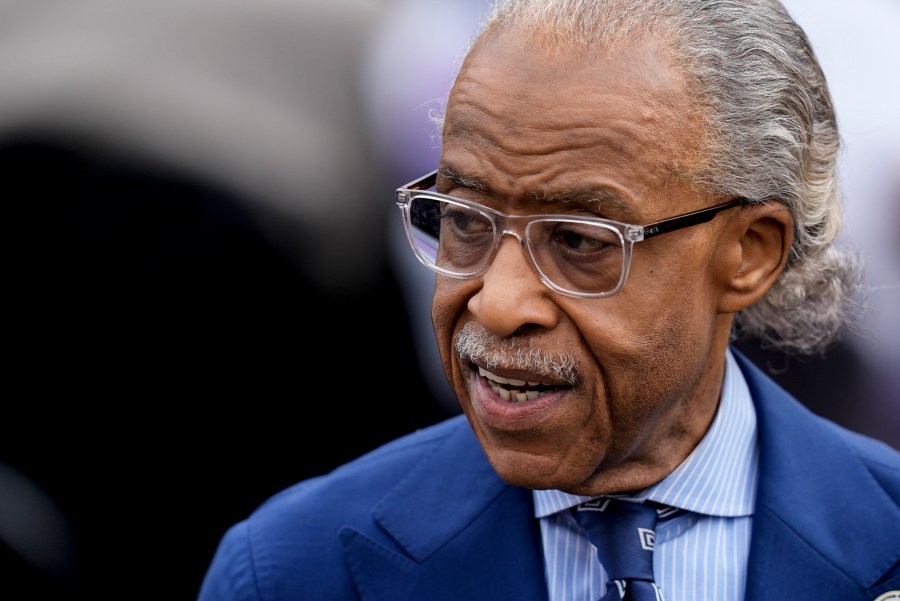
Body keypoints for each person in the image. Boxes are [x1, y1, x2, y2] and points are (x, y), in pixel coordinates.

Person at [196, 1, 900, 600]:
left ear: (750, 253)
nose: (498, 304)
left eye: (579, 239)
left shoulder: (885, 536)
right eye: (465, 222)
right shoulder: (293, 571)